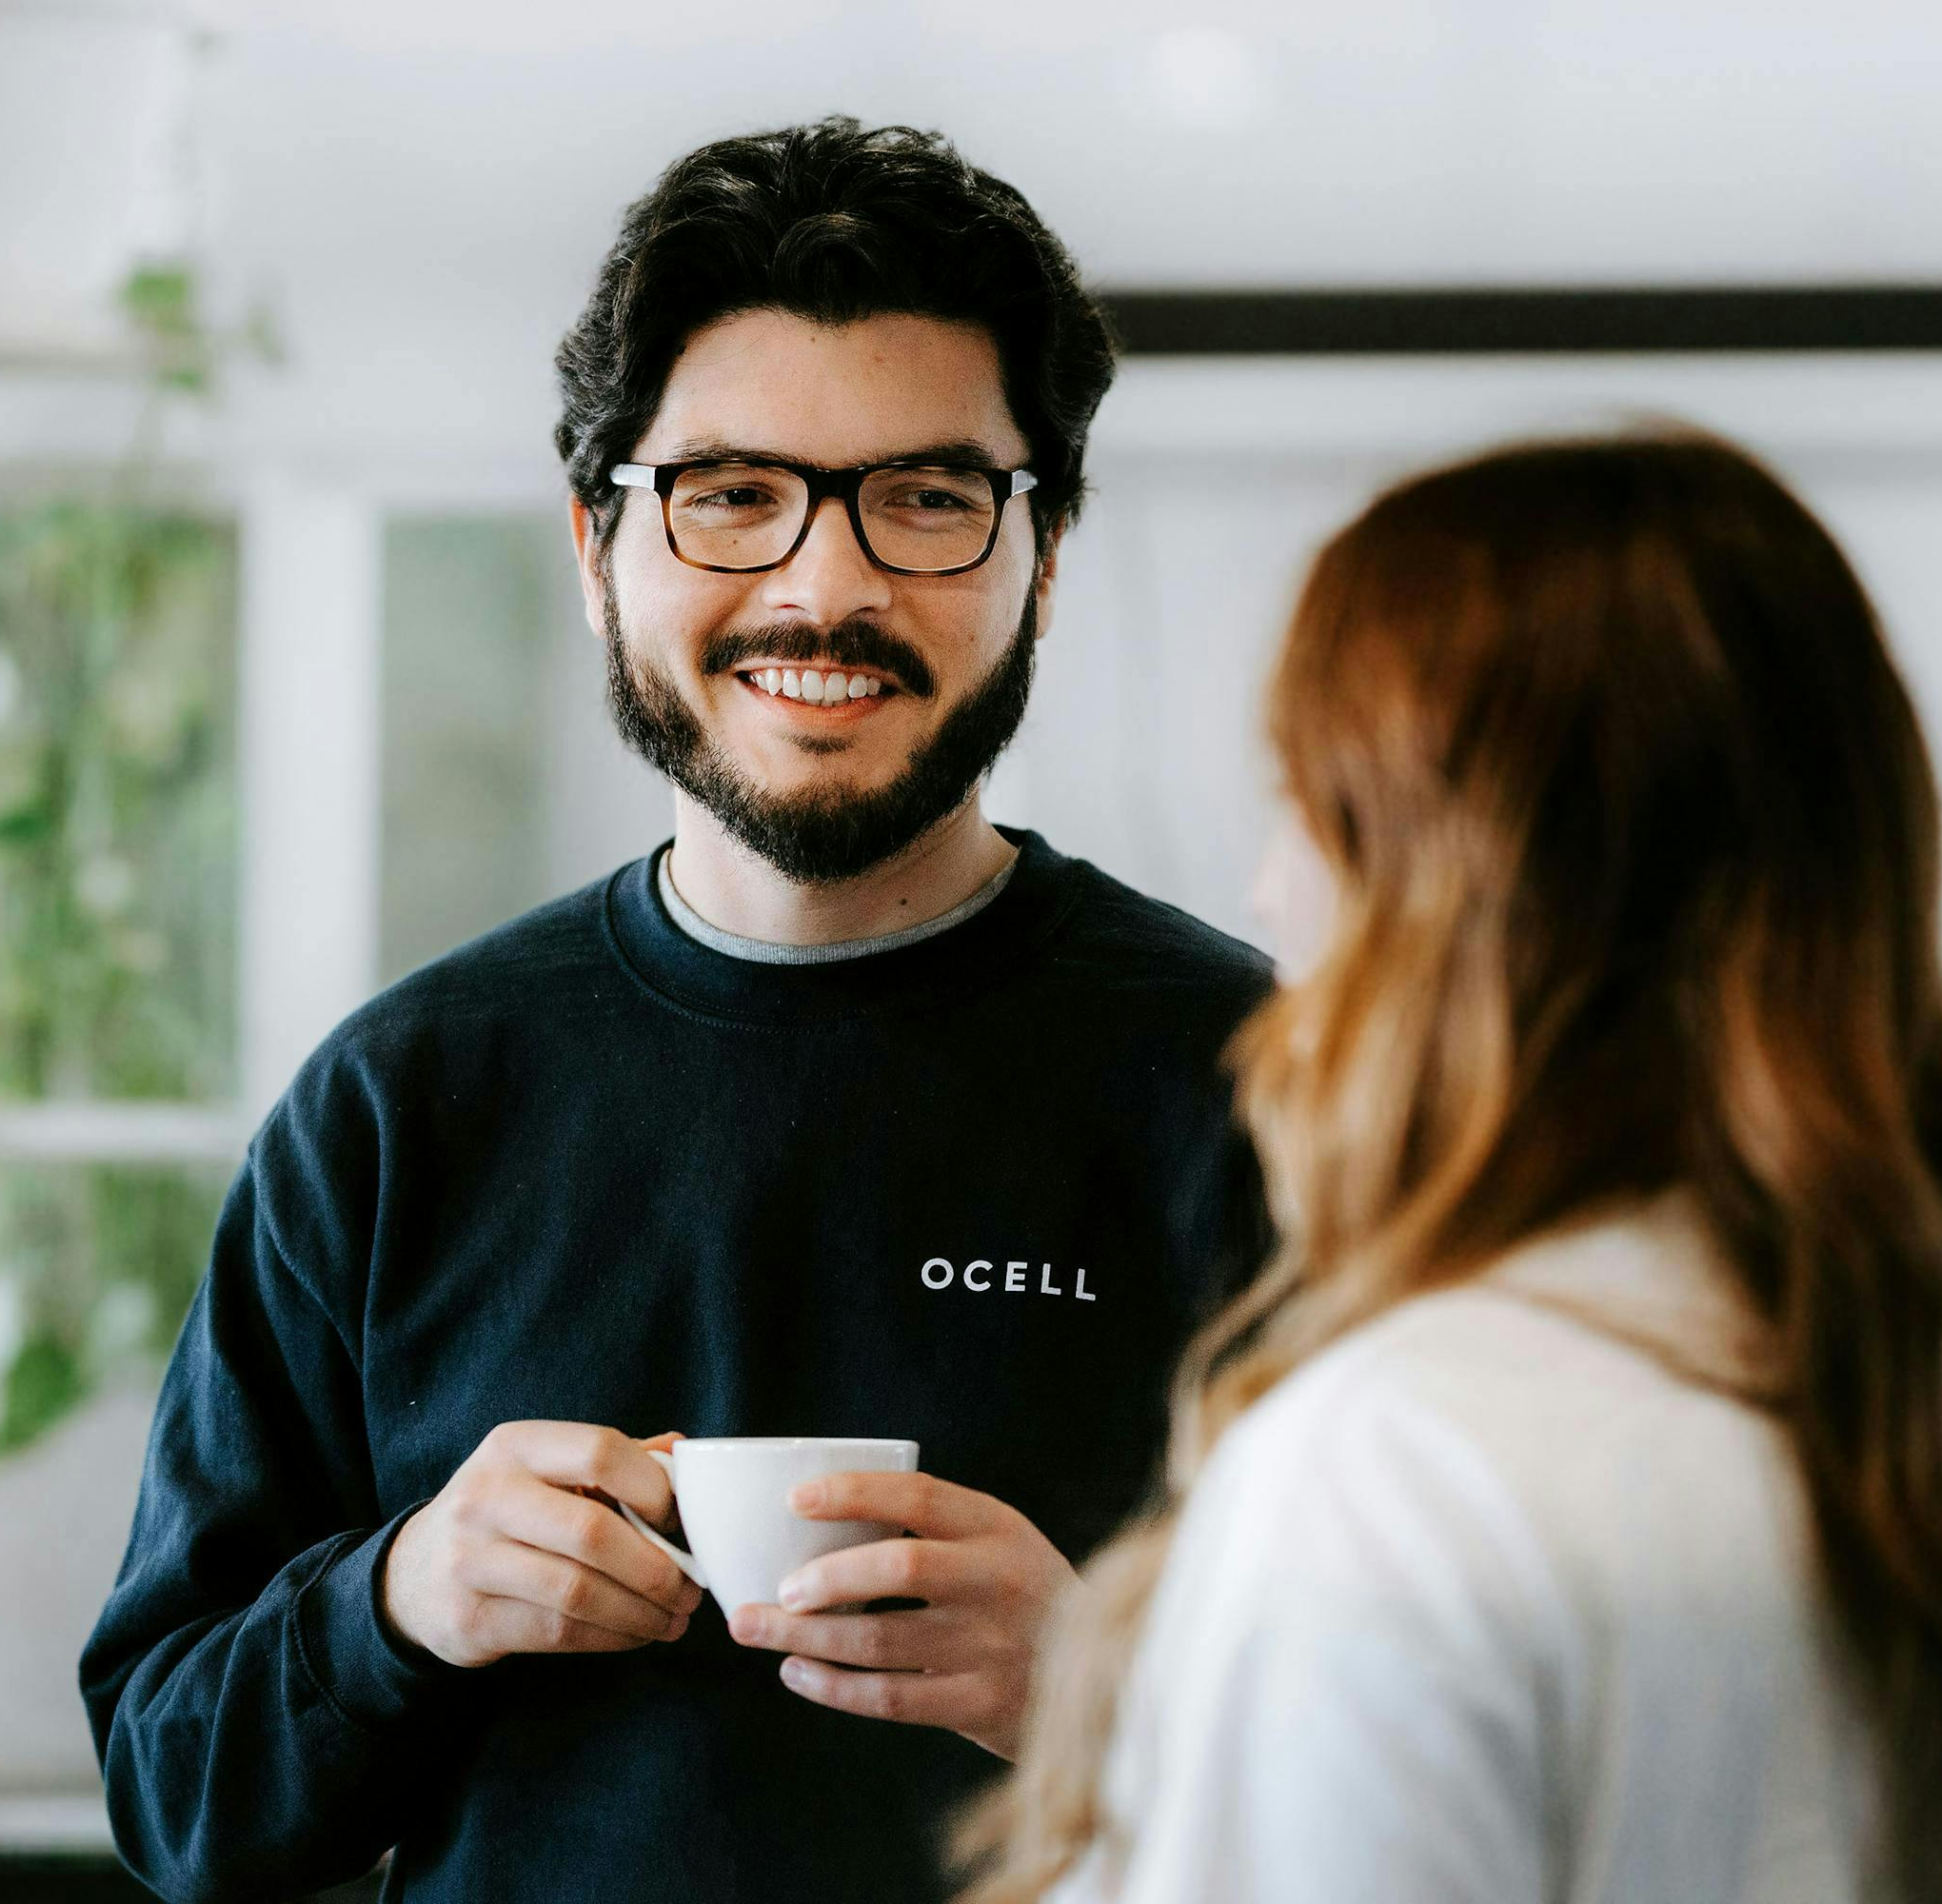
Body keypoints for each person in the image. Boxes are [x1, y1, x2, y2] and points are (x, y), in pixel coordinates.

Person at [78, 118, 1273, 1904]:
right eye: (730, 493)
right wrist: (397, 1603)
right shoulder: (401, 1104)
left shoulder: (1265, 1082)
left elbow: (1486, 1757)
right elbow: (176, 1804)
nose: (826, 586)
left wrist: (1123, 1693)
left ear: (1045, 551)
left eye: (930, 499)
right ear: (593, 543)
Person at [956, 430, 1942, 1904]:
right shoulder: (1921, 1390)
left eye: (1310, 805)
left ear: (1459, 892)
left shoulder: (1400, 1472)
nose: (1266, 890)